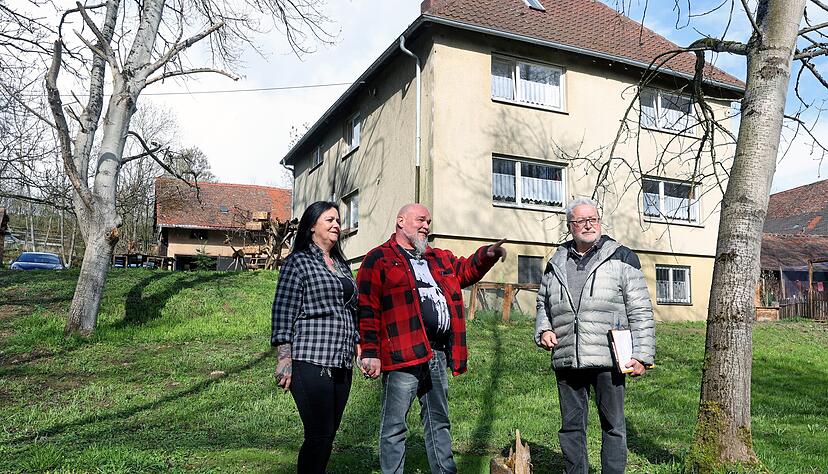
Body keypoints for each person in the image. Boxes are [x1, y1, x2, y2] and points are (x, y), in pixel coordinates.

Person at [358, 203, 507, 474]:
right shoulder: (378, 258)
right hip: (402, 353)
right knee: (394, 426)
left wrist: (488, 254)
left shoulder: (437, 258)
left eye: (429, 221)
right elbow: (367, 307)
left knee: (439, 421)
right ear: (401, 221)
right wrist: (370, 351)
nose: (426, 225)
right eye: (421, 220)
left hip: (437, 353)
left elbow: (465, 271)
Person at [535, 197, 655, 474]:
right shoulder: (556, 261)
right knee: (571, 427)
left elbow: (641, 309)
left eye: (593, 219)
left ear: (599, 222)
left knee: (613, 426)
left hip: (609, 357)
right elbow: (543, 303)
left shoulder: (622, 256)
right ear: (570, 226)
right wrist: (544, 329)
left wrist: (642, 355)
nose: (588, 225)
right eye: (581, 221)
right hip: (567, 355)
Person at [271, 201, 359, 474]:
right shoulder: (298, 262)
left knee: (329, 433)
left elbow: (352, 310)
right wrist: (284, 358)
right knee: (319, 434)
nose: (336, 224)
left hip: (341, 362)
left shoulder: (343, 266)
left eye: (338, 220)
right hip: (311, 360)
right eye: (329, 220)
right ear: (312, 227)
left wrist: (358, 346)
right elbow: (283, 311)